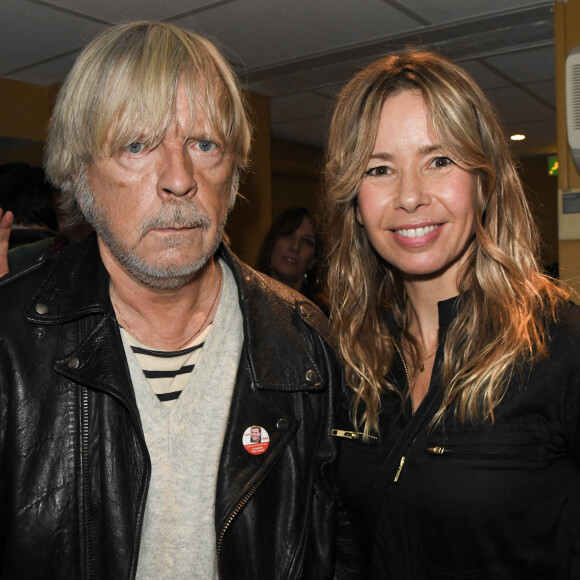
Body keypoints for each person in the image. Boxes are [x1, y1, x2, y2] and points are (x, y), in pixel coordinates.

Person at [0, 21, 342, 579]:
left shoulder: (304, 343)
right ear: (80, 173)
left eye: (204, 144)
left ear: (232, 175)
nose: (180, 178)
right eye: (137, 145)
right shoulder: (10, 343)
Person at [326, 50, 580, 579]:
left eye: (438, 160)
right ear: (355, 203)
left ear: (484, 181)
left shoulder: (563, 342)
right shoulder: (349, 355)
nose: (410, 196)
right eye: (379, 169)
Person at [257, 207, 326, 310]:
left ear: (313, 261)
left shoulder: (322, 317)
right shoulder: (245, 298)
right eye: (288, 235)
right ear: (272, 243)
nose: (295, 247)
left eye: (307, 241)